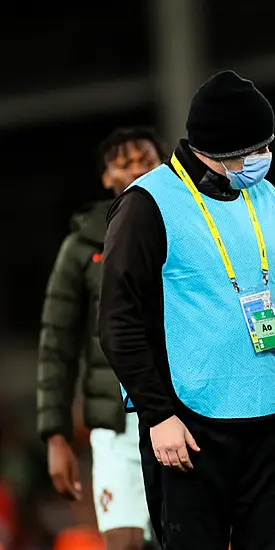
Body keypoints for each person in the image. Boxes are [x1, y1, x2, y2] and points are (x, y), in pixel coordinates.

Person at [98, 70, 275, 550]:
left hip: (268, 415)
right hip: (187, 425)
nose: (265, 158)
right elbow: (118, 321)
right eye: (255, 149)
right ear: (219, 149)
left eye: (268, 145)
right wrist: (157, 415)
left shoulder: (266, 195)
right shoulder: (146, 204)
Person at [37, 128, 163, 550]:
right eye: (122, 163)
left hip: (183, 405)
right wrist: (55, 435)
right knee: (124, 544)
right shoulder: (81, 246)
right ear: (106, 178)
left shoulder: (188, 230)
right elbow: (56, 344)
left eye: (144, 159)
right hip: (114, 421)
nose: (135, 169)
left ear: (164, 165)